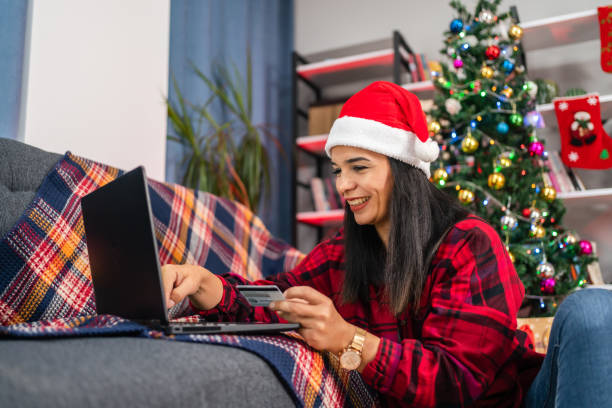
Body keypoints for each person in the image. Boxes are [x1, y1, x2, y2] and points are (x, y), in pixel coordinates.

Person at [161, 81, 612, 407]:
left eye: (359, 167)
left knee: (592, 309)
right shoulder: (340, 255)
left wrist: (349, 340)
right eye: (338, 170)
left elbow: (457, 384)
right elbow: (276, 301)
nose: (343, 185)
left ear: (404, 170)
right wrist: (206, 285)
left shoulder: (469, 243)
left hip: (512, 402)